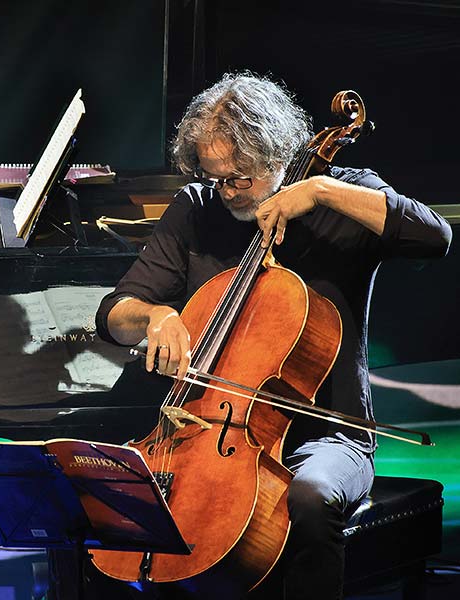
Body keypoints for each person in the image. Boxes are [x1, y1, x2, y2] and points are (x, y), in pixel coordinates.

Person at [95, 72, 451, 599]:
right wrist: (154, 317)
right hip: (206, 430)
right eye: (216, 178)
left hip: (328, 437)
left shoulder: (342, 196)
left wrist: (323, 190)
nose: (228, 191)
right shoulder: (197, 208)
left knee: (306, 499)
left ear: (278, 152)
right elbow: (113, 312)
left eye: (240, 177)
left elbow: (434, 238)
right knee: (107, 503)